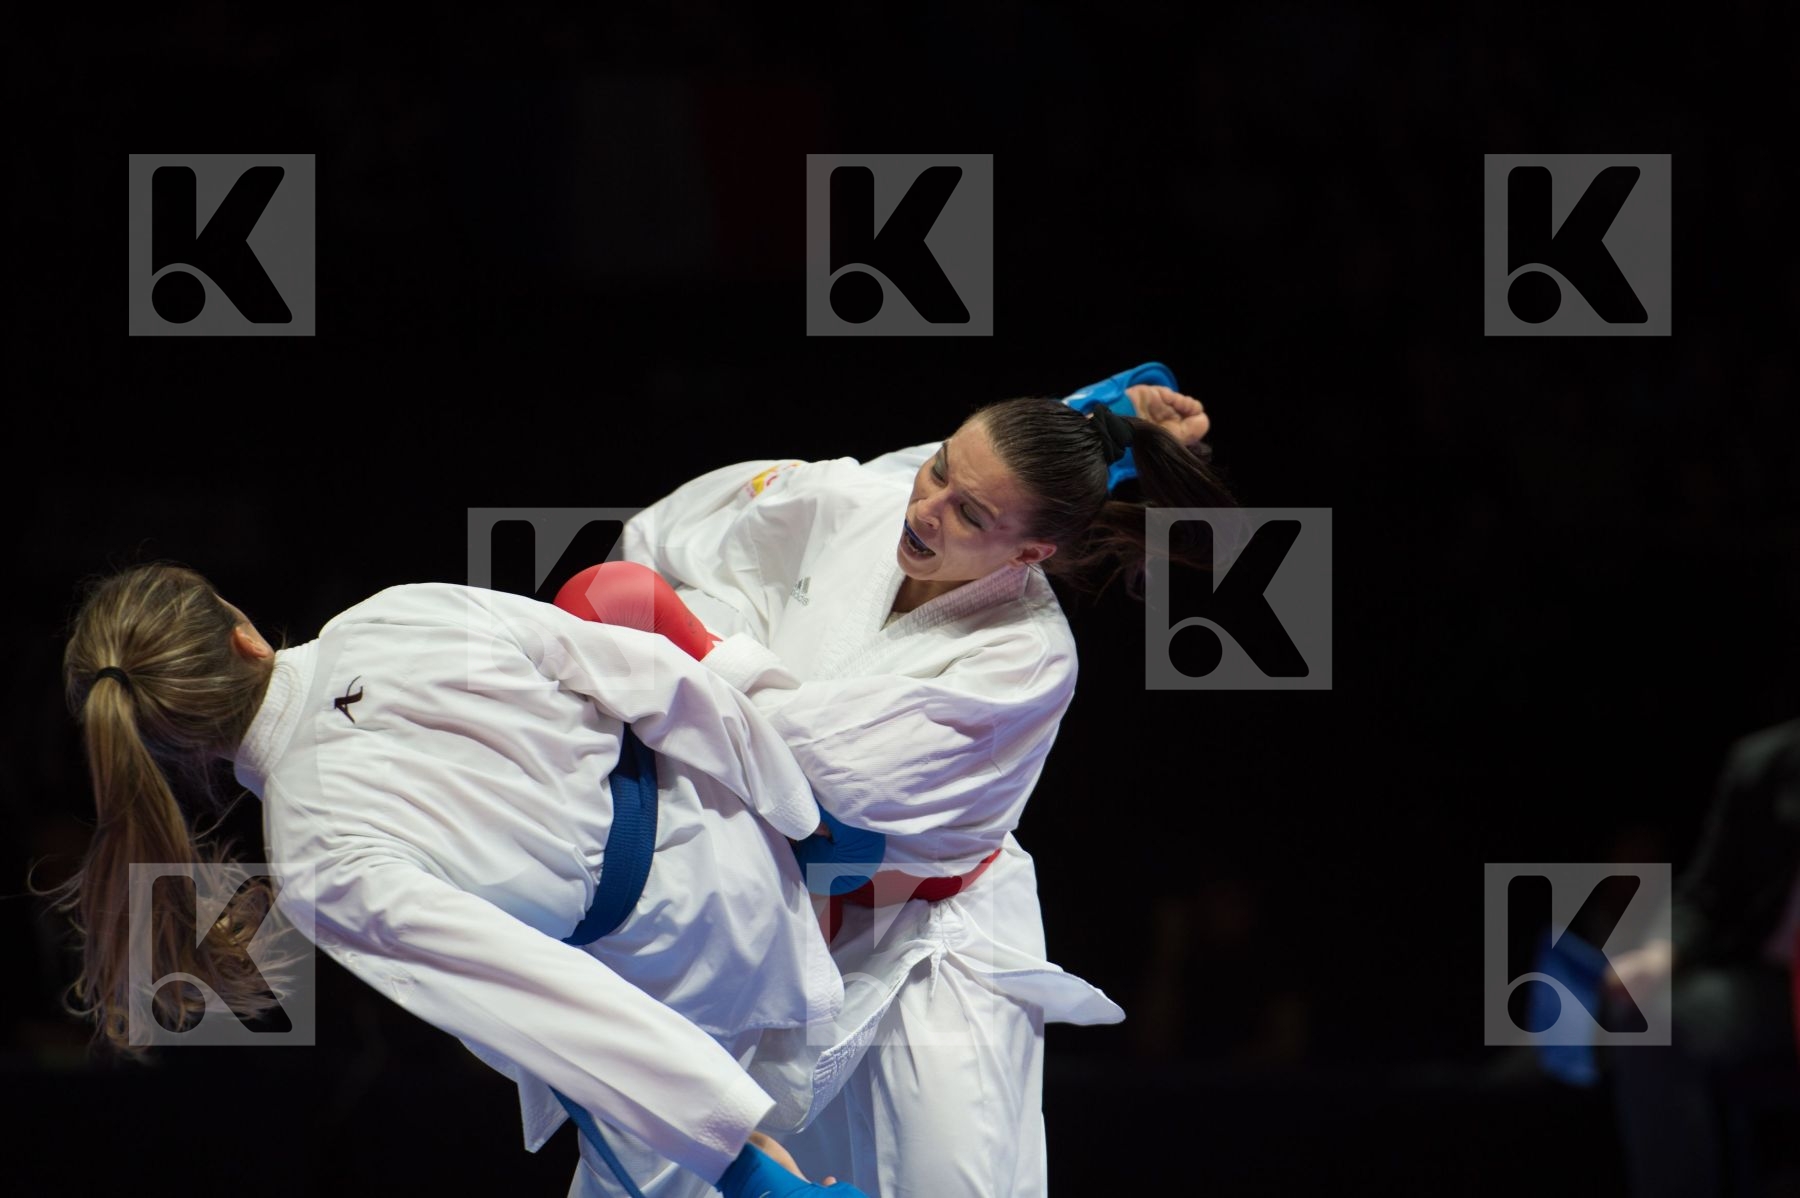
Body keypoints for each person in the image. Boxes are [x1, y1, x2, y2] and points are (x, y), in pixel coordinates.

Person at [563, 362, 1231, 1195]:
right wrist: (1097, 419)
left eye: (968, 513)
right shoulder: (869, 499)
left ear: (1030, 554)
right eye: (941, 465)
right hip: (759, 908)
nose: (927, 508)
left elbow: (798, 765)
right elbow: (673, 538)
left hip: (927, 941)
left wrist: (682, 636)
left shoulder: (1021, 661)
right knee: (651, 1167)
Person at [45, 564, 873, 1198]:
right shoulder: (396, 611)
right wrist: (801, 810)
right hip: (746, 842)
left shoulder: (313, 857)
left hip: (681, 989)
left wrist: (739, 1159)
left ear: (170, 750)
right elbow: (646, 672)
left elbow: (531, 995)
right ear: (242, 634)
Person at [1603, 716, 1800, 1198]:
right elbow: (1706, 896)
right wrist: (1661, 951)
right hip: (1777, 990)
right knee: (1651, 1014)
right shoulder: (1765, 765)